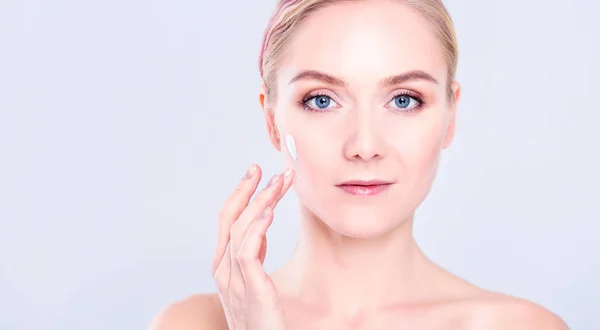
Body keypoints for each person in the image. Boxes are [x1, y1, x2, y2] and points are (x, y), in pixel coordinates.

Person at [149, 0, 569, 329]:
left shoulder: (523, 327)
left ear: (450, 116)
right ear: (271, 120)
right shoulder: (190, 325)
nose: (364, 146)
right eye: (322, 100)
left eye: (404, 100)